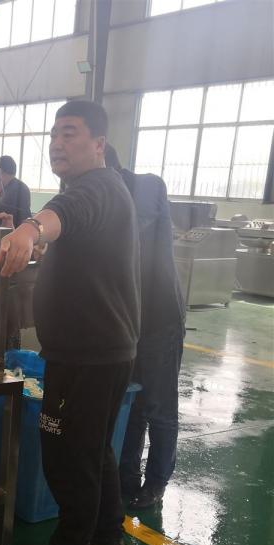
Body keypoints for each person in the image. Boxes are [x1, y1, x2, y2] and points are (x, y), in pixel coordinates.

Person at [0, 100, 140, 545]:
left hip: (85, 353)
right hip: (103, 348)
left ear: (98, 143)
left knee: (67, 451)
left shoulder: (95, 187)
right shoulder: (101, 188)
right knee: (94, 449)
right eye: (54, 134)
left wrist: (30, 228)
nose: (58, 143)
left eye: (70, 133)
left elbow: (62, 213)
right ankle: (107, 537)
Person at [105, 144, 185, 510]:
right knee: (132, 402)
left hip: (159, 319)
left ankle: (155, 484)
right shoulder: (106, 202)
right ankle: (126, 476)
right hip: (128, 323)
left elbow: (132, 236)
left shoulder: (147, 186)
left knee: (159, 407)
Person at [0, 155, 32, 223]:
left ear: (0, 170)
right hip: (24, 226)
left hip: (13, 227)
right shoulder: (21, 186)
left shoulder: (10, 191)